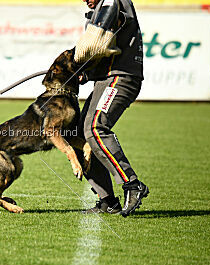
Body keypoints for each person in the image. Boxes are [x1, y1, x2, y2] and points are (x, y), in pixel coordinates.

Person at [74, 0, 149, 217]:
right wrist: (86, 73)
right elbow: (104, 49)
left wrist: (77, 62)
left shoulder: (111, 0)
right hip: (106, 79)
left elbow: (94, 44)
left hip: (121, 78)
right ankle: (107, 200)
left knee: (96, 128)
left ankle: (132, 184)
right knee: (79, 135)